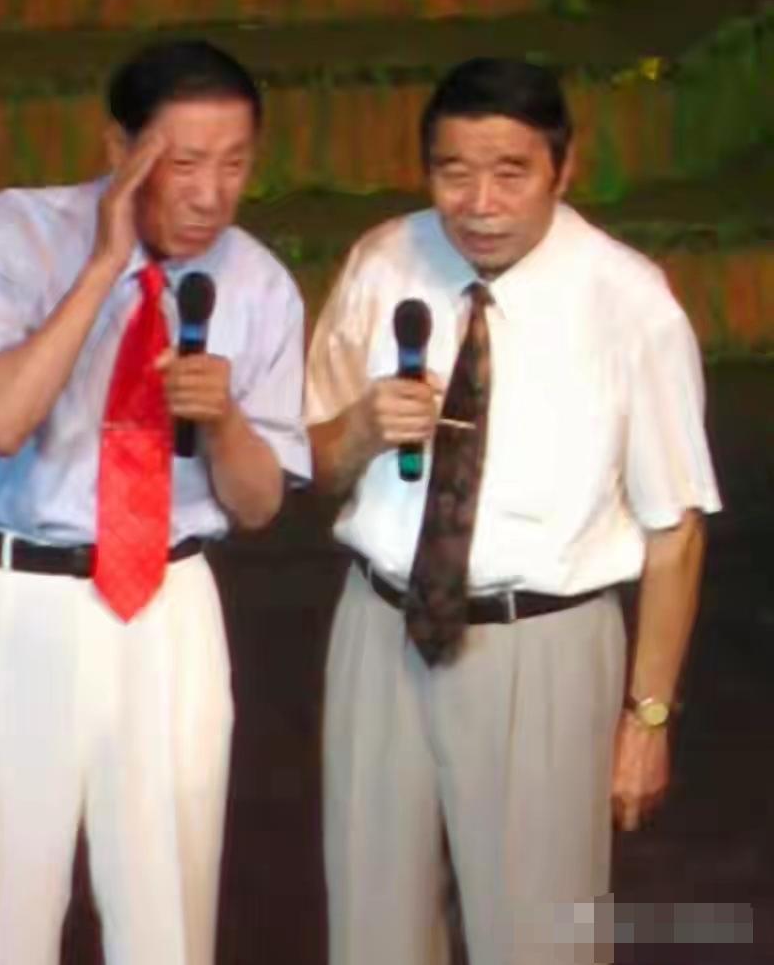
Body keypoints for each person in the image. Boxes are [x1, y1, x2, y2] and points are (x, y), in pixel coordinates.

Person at [305, 57, 721, 965]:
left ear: (563, 169)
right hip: (381, 628)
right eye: (453, 173)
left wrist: (647, 719)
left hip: (544, 646)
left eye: (510, 173)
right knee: (371, 931)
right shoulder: (383, 261)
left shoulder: (629, 302)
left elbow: (675, 531)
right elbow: (314, 462)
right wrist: (363, 428)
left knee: (540, 938)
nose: (480, 204)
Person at [0, 39, 309, 965]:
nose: (210, 194)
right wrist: (105, 265)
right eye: (184, 163)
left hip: (171, 605)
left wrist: (222, 420)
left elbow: (260, 504)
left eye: (235, 164)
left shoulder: (259, 283)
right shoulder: (5, 237)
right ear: (119, 149)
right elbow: (2, 420)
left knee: (169, 917)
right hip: (22, 597)